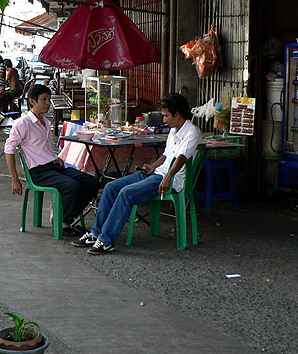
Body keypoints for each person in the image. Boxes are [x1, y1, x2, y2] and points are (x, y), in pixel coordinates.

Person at [73, 93, 202, 254]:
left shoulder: (192, 132)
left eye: (166, 116)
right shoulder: (174, 130)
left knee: (127, 193)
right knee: (111, 187)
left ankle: (106, 240)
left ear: (177, 114)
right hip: (157, 173)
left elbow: (181, 157)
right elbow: (166, 156)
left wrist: (168, 176)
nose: (164, 120)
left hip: (170, 180)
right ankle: (95, 233)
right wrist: (152, 166)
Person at [4, 84, 99, 236]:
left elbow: (43, 149)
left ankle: (61, 213)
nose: (47, 103)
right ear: (32, 101)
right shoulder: (23, 123)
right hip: (37, 171)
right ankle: (63, 224)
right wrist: (14, 179)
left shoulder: (46, 123)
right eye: (43, 99)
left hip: (53, 167)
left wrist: (56, 157)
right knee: (71, 186)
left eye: (48, 99)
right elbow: (8, 150)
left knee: (92, 183)